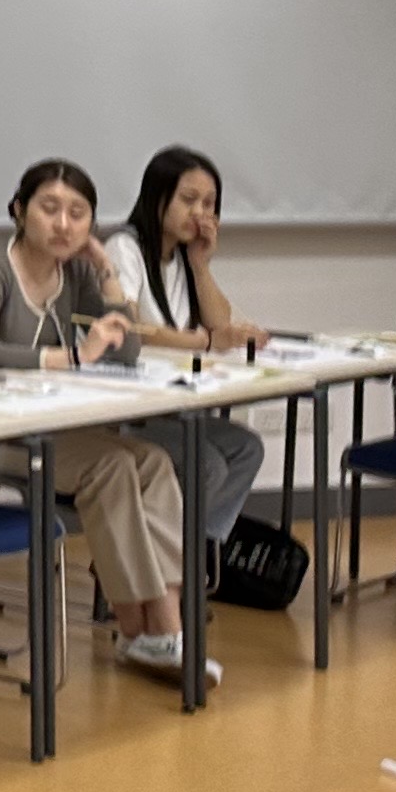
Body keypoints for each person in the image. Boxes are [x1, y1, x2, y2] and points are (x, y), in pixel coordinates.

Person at [0, 160, 202, 673]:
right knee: (111, 466)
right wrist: (73, 356)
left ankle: (166, 628)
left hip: (35, 427)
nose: (63, 224)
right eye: (49, 208)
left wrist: (106, 272)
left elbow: (125, 351)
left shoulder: (74, 271)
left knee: (153, 462)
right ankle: (141, 630)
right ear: (19, 210)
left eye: (78, 214)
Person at [107, 145, 271, 546]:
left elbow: (218, 323)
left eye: (209, 204)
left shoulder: (183, 255)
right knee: (207, 464)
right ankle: (155, 560)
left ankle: (196, 554)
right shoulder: (125, 248)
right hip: (127, 410)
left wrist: (200, 264)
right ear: (157, 196)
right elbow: (132, 328)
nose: (199, 213)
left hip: (168, 404)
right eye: (188, 199)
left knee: (247, 448)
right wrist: (205, 341)